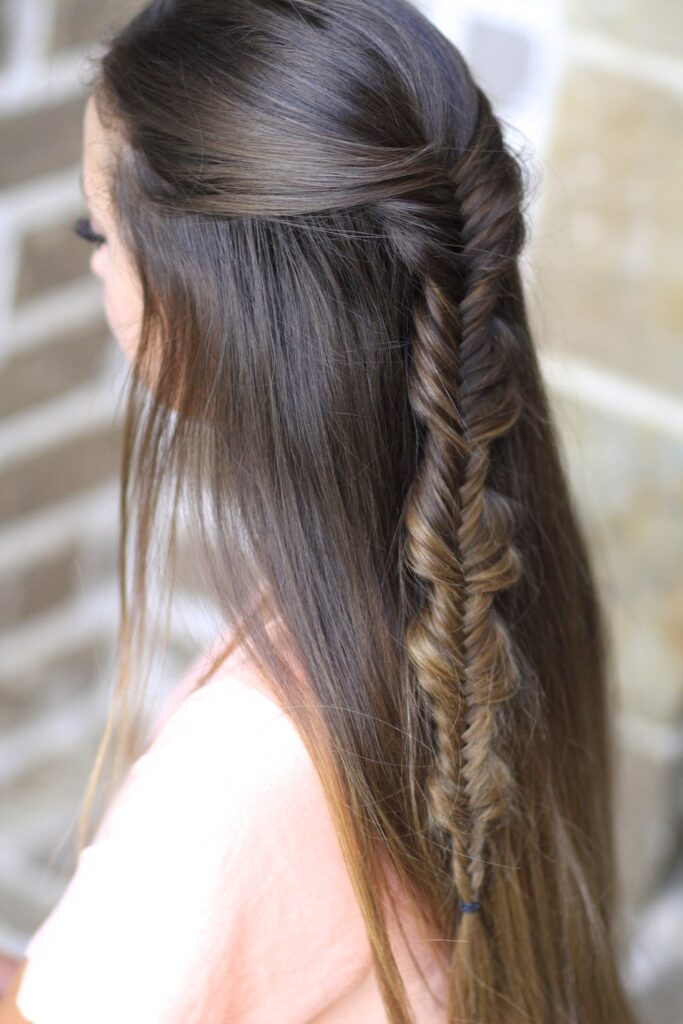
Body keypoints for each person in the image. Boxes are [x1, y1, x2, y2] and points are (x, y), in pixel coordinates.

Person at [0, 1, 642, 1022]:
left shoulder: (240, 771)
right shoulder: (498, 573)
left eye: (100, 231)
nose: (93, 264)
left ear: (201, 300)